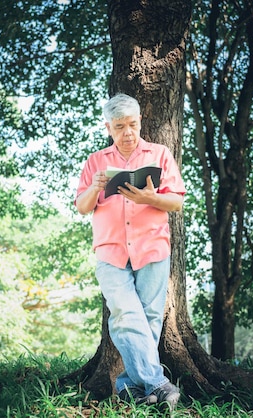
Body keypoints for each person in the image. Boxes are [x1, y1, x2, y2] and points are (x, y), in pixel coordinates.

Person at [74, 93, 186, 409]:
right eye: (120, 126)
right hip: (111, 253)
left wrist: (149, 198)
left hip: (152, 249)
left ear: (140, 123)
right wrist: (95, 187)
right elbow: (82, 207)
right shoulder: (96, 161)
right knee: (125, 314)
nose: (127, 133)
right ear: (108, 126)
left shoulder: (160, 154)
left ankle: (130, 388)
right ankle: (159, 384)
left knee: (149, 319)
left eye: (133, 125)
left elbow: (177, 201)